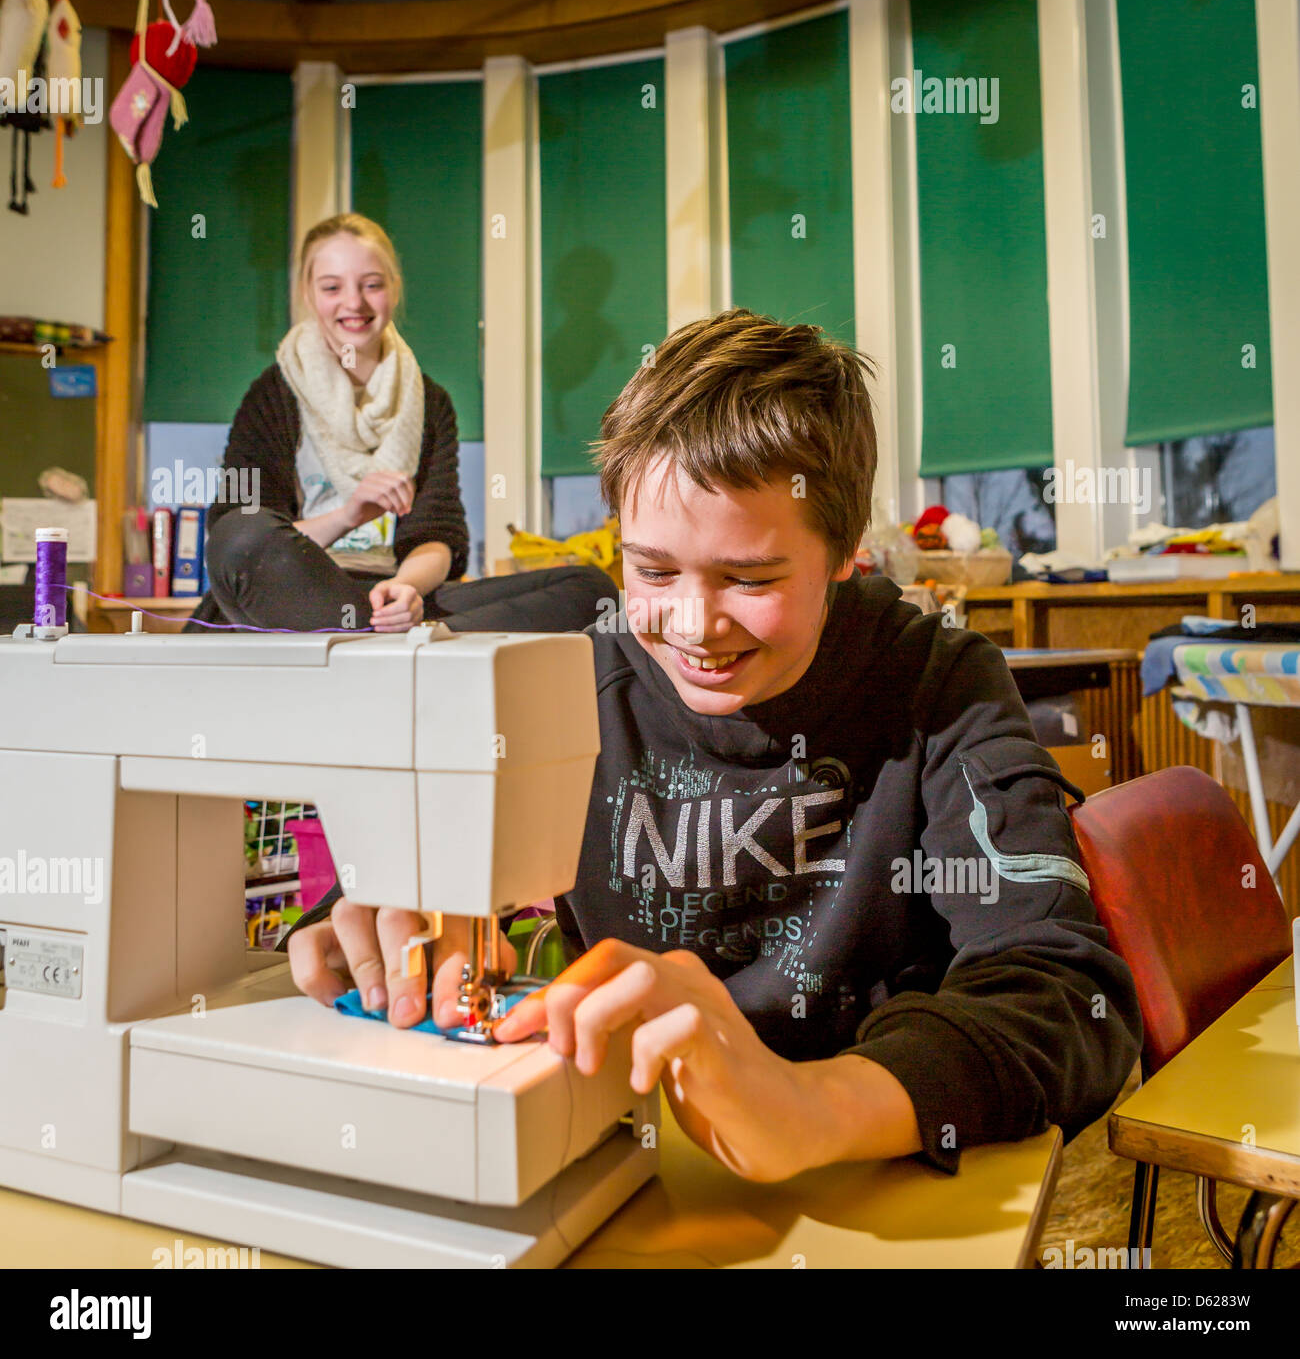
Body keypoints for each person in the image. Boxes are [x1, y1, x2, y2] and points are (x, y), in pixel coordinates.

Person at [284, 309, 1142, 1181]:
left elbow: (1071, 1000)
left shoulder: (940, 683)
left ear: (848, 552)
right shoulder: (565, 683)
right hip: (624, 1156)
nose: (692, 626)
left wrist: (811, 1107)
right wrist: (370, 910)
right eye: (652, 570)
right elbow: (415, 873)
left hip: (866, 1166)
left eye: (751, 578)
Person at [185, 213, 611, 635]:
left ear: (394, 289)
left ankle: (397, 631)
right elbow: (241, 539)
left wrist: (404, 590)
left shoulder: (432, 402)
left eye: (371, 284)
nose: (354, 303)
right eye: (332, 287)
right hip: (294, 596)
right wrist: (349, 515)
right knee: (239, 535)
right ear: (308, 295)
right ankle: (407, 638)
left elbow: (437, 536)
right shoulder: (273, 394)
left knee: (589, 589)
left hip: (391, 597)